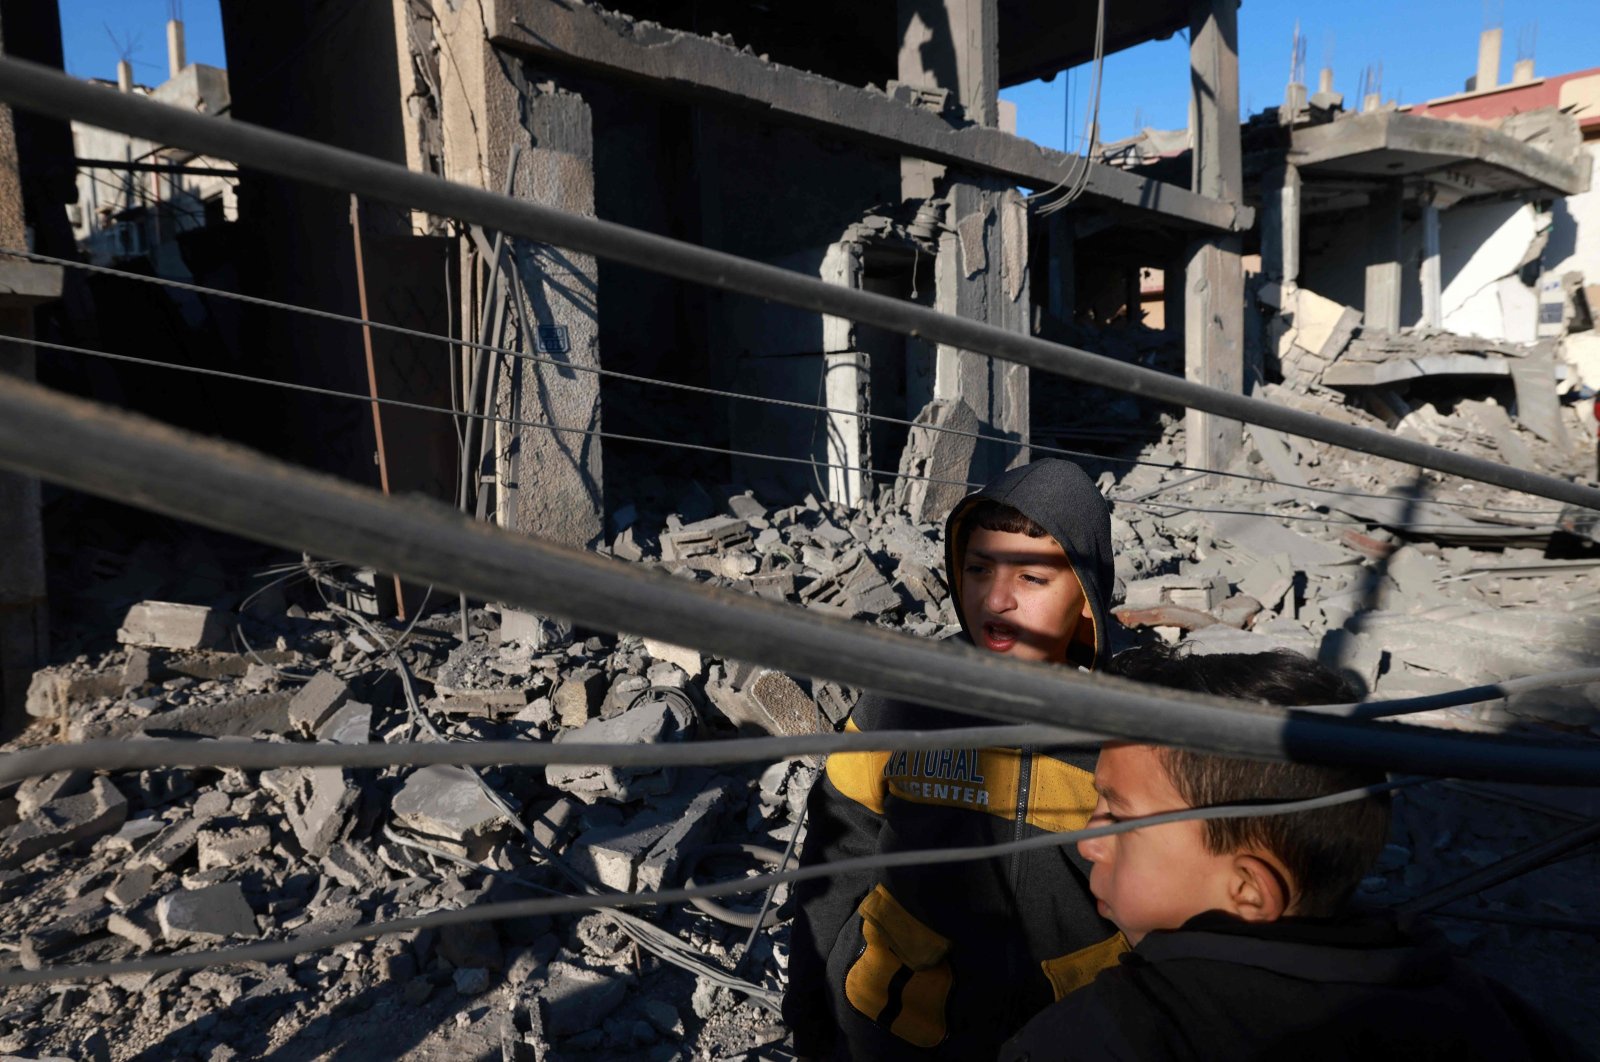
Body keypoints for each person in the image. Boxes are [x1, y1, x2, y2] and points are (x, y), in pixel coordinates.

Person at [1000, 644, 1580, 1062]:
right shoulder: (1500, 1017)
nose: (1088, 839)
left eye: (1119, 817)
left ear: (1249, 891)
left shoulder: (1105, 1036)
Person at [784, 458, 1125, 1060]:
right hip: (897, 1023)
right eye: (977, 568)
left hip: (1072, 1031)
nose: (996, 598)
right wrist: (810, 1005)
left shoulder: (1135, 728)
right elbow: (837, 856)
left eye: (1033, 578)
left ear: (1088, 596)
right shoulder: (901, 700)